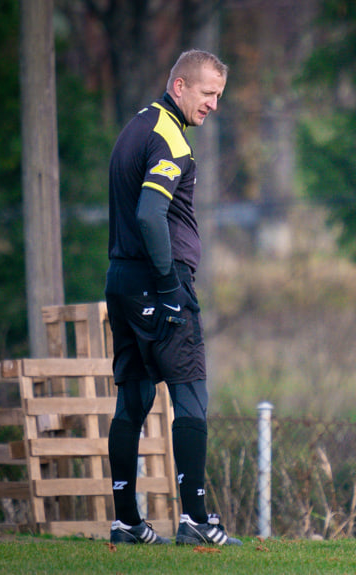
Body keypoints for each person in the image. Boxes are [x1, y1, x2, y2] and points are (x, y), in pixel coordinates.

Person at [104, 49, 240, 546]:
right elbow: (148, 215)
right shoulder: (169, 139)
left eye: (219, 96)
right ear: (180, 86)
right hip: (159, 282)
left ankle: (126, 523)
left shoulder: (136, 127)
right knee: (191, 395)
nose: (213, 106)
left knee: (133, 401)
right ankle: (197, 521)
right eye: (208, 94)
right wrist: (167, 290)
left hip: (119, 279)